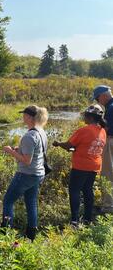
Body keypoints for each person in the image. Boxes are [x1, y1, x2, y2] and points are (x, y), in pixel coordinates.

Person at [53, 105, 106, 225]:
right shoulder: (102, 131)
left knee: (74, 191)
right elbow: (83, 147)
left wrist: (58, 143)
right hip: (94, 165)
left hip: (81, 166)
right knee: (88, 190)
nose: (83, 117)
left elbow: (68, 145)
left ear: (90, 117)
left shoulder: (84, 130)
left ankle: (74, 220)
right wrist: (73, 148)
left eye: (85, 115)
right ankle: (87, 218)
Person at [2, 105, 48, 241]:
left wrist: (11, 151)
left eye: (24, 115)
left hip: (26, 174)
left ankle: (6, 234)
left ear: (29, 117)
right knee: (31, 202)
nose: (22, 117)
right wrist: (19, 149)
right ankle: (31, 235)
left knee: (8, 201)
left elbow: (27, 161)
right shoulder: (41, 132)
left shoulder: (29, 135)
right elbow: (36, 152)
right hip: (38, 174)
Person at [92, 85, 113, 213]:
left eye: (97, 99)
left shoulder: (110, 108)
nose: (97, 102)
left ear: (103, 96)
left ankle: (108, 207)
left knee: (107, 174)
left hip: (110, 142)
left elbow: (107, 129)